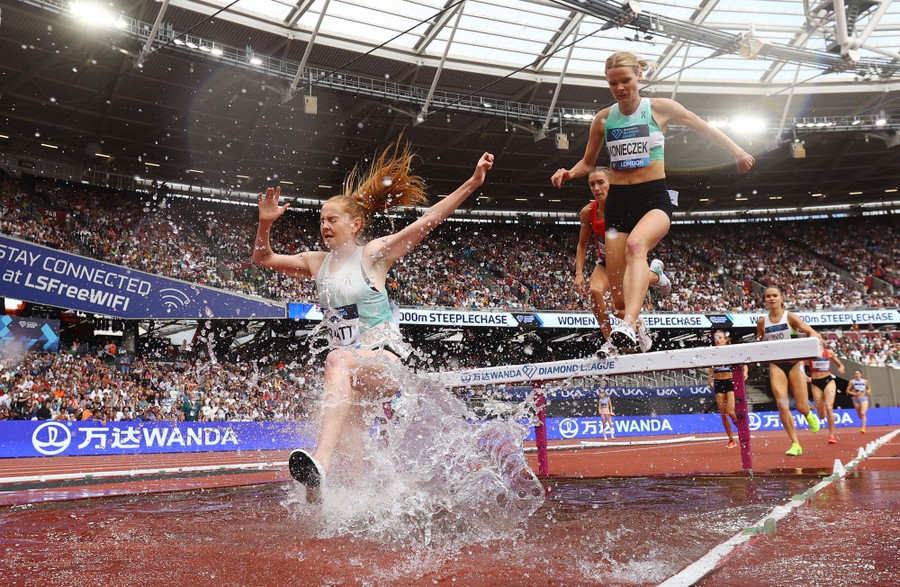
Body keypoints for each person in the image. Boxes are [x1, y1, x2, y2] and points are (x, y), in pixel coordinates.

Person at [252, 141, 495, 497]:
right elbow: (263, 259)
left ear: (355, 224)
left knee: (335, 360)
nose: (325, 226)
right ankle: (348, 502)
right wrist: (264, 224)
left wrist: (473, 182)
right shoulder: (315, 262)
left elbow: (430, 220)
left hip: (383, 361)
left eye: (332, 219)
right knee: (351, 463)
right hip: (350, 375)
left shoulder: (374, 255)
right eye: (321, 220)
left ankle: (319, 460)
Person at [552, 51, 755, 351]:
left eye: (625, 81)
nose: (620, 88)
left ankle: (625, 328)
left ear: (639, 77)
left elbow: (703, 126)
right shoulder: (603, 118)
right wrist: (568, 173)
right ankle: (652, 281)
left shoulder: (660, 108)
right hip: (619, 203)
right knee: (618, 295)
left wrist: (737, 151)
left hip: (653, 198)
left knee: (637, 246)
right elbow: (587, 162)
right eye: (612, 84)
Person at [574, 166, 672, 355]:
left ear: (613, 183)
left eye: (601, 182)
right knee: (594, 292)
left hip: (627, 262)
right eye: (592, 184)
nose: (596, 188)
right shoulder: (588, 212)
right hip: (604, 263)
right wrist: (579, 272)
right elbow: (582, 244)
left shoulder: (625, 207)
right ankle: (611, 342)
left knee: (621, 307)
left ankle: (654, 276)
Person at [756, 285, 823, 456]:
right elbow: (759, 339)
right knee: (782, 405)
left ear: (781, 298)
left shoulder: (790, 317)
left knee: (801, 406)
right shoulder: (762, 322)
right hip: (776, 364)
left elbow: (813, 333)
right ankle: (795, 444)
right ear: (765, 300)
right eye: (768, 296)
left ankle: (808, 414)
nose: (771, 299)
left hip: (794, 364)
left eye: (775, 296)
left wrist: (813, 348)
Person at [707, 330, 747, 449]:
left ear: (725, 340)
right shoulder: (712, 353)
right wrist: (710, 378)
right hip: (719, 382)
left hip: (730, 381)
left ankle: (741, 428)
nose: (718, 340)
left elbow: (743, 361)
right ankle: (731, 439)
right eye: (716, 338)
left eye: (720, 338)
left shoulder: (731, 351)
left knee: (730, 410)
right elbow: (710, 367)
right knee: (723, 413)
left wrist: (745, 371)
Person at [808, 346, 846, 443]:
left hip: (828, 381)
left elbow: (840, 365)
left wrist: (841, 368)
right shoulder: (809, 352)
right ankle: (822, 405)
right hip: (815, 383)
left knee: (829, 407)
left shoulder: (828, 352)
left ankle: (832, 435)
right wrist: (805, 376)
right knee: (821, 416)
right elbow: (800, 366)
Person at [845, 369, 871, 433]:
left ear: (861, 374)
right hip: (856, 399)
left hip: (864, 398)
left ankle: (863, 428)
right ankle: (862, 422)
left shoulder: (865, 381)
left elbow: (869, 388)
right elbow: (847, 391)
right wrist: (854, 394)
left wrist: (868, 391)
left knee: (862, 413)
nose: (857, 375)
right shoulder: (852, 382)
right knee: (859, 415)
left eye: (858, 373)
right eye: (856, 374)